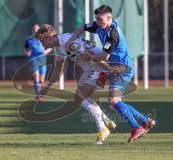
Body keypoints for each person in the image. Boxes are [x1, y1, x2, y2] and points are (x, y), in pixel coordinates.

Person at [66, 5, 155, 142]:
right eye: (96, 18)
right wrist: (72, 39)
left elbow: (104, 56)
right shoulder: (99, 25)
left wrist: (87, 56)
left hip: (122, 68)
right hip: (115, 67)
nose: (97, 21)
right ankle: (145, 121)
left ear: (109, 18)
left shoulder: (112, 34)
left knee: (113, 101)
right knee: (115, 102)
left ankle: (137, 127)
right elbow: (83, 27)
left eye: (100, 19)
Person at [36, 24, 117, 144]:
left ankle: (103, 129)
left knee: (80, 97)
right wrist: (47, 88)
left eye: (43, 41)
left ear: (49, 37)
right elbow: (57, 70)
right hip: (92, 69)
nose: (43, 45)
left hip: (99, 67)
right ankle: (107, 121)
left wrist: (111, 70)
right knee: (83, 97)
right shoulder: (59, 47)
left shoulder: (67, 43)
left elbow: (94, 57)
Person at [25, 23, 52, 102]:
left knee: (41, 80)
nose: (35, 30)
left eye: (37, 29)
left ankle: (39, 93)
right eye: (34, 29)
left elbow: (50, 47)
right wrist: (27, 53)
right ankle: (38, 95)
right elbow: (26, 49)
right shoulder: (29, 39)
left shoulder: (44, 38)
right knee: (35, 76)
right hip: (33, 59)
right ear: (32, 30)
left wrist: (45, 51)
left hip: (42, 60)